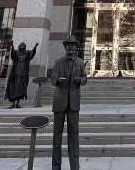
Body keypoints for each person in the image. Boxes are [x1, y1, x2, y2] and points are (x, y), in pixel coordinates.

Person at [51, 35, 87, 170]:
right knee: (57, 137)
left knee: (74, 136)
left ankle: (75, 166)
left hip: (73, 102)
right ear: (65, 47)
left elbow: (85, 77)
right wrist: (57, 80)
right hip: (60, 101)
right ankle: (56, 166)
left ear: (76, 48)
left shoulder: (80, 62)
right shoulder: (58, 62)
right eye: (68, 45)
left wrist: (81, 81)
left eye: (73, 45)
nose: (71, 47)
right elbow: (53, 78)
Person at [4, 42, 37, 108]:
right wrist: (12, 46)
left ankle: (18, 103)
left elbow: (32, 54)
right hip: (16, 75)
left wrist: (35, 47)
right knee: (14, 89)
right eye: (21, 48)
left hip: (23, 75)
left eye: (23, 49)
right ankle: (13, 103)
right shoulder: (16, 53)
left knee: (21, 89)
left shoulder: (27, 54)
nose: (22, 50)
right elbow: (12, 55)